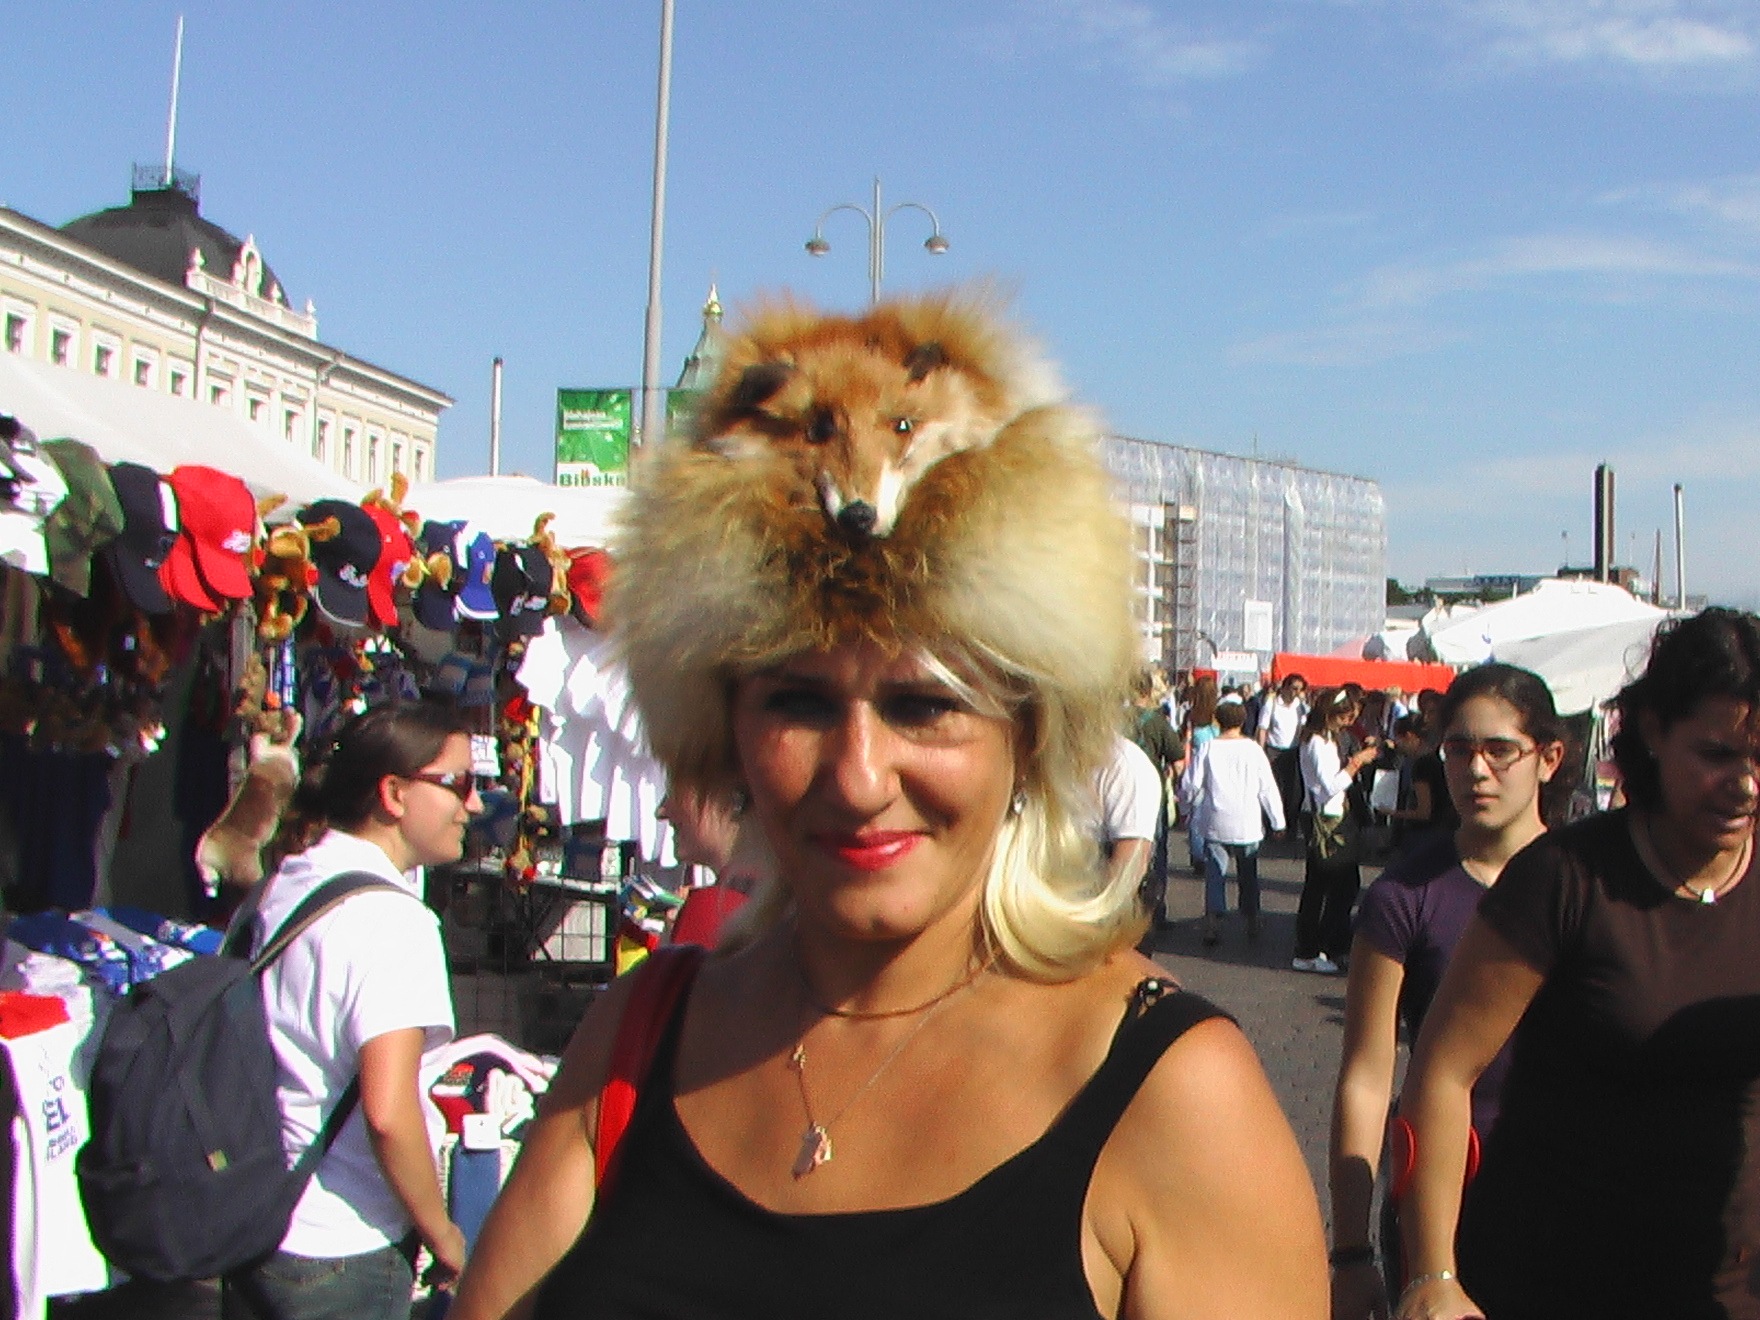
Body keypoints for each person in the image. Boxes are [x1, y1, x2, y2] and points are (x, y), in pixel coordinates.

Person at [448, 293, 1327, 1320]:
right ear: (724, 726)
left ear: (1027, 733)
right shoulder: (637, 1039)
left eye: (922, 706)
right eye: (798, 702)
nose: (858, 778)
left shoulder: (1174, 1098)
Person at [1396, 609, 1760, 1320]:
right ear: (1652, 732)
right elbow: (1442, 1071)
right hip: (1553, 1280)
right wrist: (1433, 1275)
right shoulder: (1564, 879)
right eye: (1717, 754)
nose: (1745, 784)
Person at [223, 699, 477, 1320]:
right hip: (343, 1244)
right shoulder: (393, 922)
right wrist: (444, 1235)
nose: (473, 805)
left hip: (257, 1217)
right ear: (393, 793)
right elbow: (388, 1113)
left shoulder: (287, 881)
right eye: (459, 783)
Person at [1326, 665, 1567, 1320]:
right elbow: (1366, 1076)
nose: (1476, 770)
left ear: (1548, 759)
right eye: (1459, 750)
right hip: (1442, 1204)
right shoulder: (1404, 895)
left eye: (1499, 750)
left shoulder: (1587, 886)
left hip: (1574, 1200)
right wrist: (1350, 1252)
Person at [1293, 690, 1381, 975]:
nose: (1348, 722)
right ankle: (1314, 948)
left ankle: (1324, 945)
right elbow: (1330, 786)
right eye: (1344, 716)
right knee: (1330, 887)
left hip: (1332, 815)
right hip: (1327, 818)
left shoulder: (1325, 739)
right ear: (1330, 714)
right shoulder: (1317, 743)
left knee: (1335, 886)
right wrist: (1356, 763)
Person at [1188, 699, 1284, 945]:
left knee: (1215, 872)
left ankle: (1213, 920)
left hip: (1216, 819)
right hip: (1247, 821)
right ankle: (1251, 916)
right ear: (1243, 720)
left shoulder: (1208, 747)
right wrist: (1278, 821)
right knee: (1248, 871)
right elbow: (1267, 788)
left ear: (1217, 720)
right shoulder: (1253, 750)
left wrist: (1186, 805)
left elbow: (1192, 784)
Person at [660, 781, 767, 949]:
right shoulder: (782, 896)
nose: (661, 812)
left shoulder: (714, 907)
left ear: (732, 798)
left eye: (673, 792)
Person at [1127, 667, 1184, 928]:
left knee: (1119, 847)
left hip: (1119, 791)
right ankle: (1154, 910)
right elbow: (1178, 760)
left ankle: (1123, 910)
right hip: (1151, 792)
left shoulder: (1114, 720)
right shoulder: (1158, 722)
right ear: (1149, 690)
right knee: (1156, 850)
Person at [1258, 673, 1310, 840]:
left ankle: (1291, 827)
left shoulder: (1300, 706)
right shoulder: (1272, 703)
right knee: (1274, 790)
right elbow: (1263, 728)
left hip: (1293, 751)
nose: (1296, 692)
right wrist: (1261, 752)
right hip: (1274, 751)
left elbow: (1305, 727)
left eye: (1300, 689)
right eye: (1294, 688)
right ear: (1285, 687)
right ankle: (1272, 827)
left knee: (1293, 792)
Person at [1180, 674, 1222, 873]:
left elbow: (1185, 743)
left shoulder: (1192, 716)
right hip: (1216, 765)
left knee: (1196, 813)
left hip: (1196, 764)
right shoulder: (1218, 716)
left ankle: (1198, 856)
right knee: (1213, 809)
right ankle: (1211, 850)